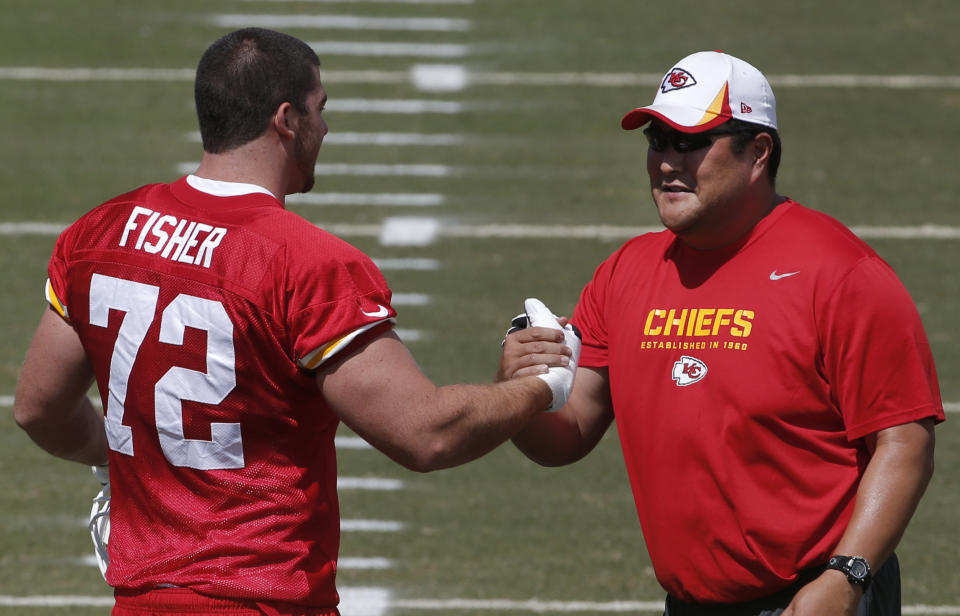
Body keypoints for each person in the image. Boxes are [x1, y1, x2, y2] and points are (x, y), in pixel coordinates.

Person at [12, 28, 579, 616]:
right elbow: (423, 433)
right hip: (262, 600)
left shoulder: (100, 231)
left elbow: (38, 407)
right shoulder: (306, 263)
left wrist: (117, 459)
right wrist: (537, 387)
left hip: (141, 603)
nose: (326, 128)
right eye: (320, 109)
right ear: (286, 119)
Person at [499, 50, 943, 616]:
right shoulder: (625, 273)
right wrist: (518, 391)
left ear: (758, 152)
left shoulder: (841, 274)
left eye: (691, 144)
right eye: (658, 140)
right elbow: (570, 432)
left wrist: (845, 577)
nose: (666, 162)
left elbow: (905, 442)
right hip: (690, 602)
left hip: (819, 594)